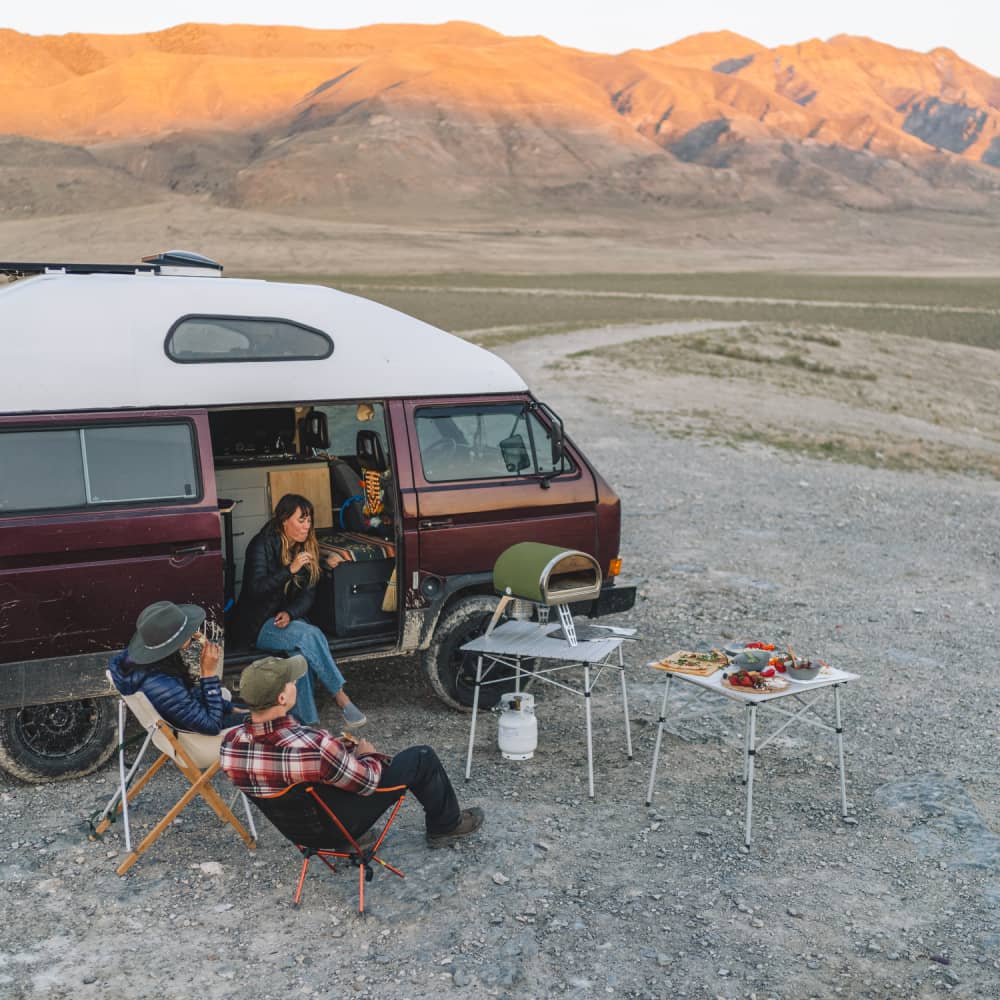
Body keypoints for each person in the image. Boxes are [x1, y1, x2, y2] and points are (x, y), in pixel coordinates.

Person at [220, 655, 484, 846]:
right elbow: (367, 782)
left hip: (300, 834)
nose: (295, 685)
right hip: (339, 829)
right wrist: (367, 755)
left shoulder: (229, 744)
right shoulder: (317, 746)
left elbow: (287, 766)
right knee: (421, 757)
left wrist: (338, 752)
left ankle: (353, 838)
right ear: (281, 698)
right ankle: (446, 826)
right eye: (291, 682)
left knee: (320, 781)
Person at [235, 492, 365, 729]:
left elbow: (308, 596)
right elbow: (255, 590)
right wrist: (289, 570)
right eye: (301, 520)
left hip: (288, 622)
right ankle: (340, 696)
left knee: (301, 657)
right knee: (309, 635)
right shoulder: (261, 545)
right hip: (259, 624)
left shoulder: (308, 546)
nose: (307, 526)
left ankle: (307, 725)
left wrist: (291, 613)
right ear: (284, 521)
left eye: (309, 520)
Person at [110, 601, 244, 734]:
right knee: (263, 720)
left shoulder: (153, 662)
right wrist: (208, 674)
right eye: (187, 630)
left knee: (249, 710)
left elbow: (187, 695)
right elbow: (213, 727)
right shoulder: (163, 684)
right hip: (205, 738)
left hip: (194, 720)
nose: (193, 631)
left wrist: (231, 708)